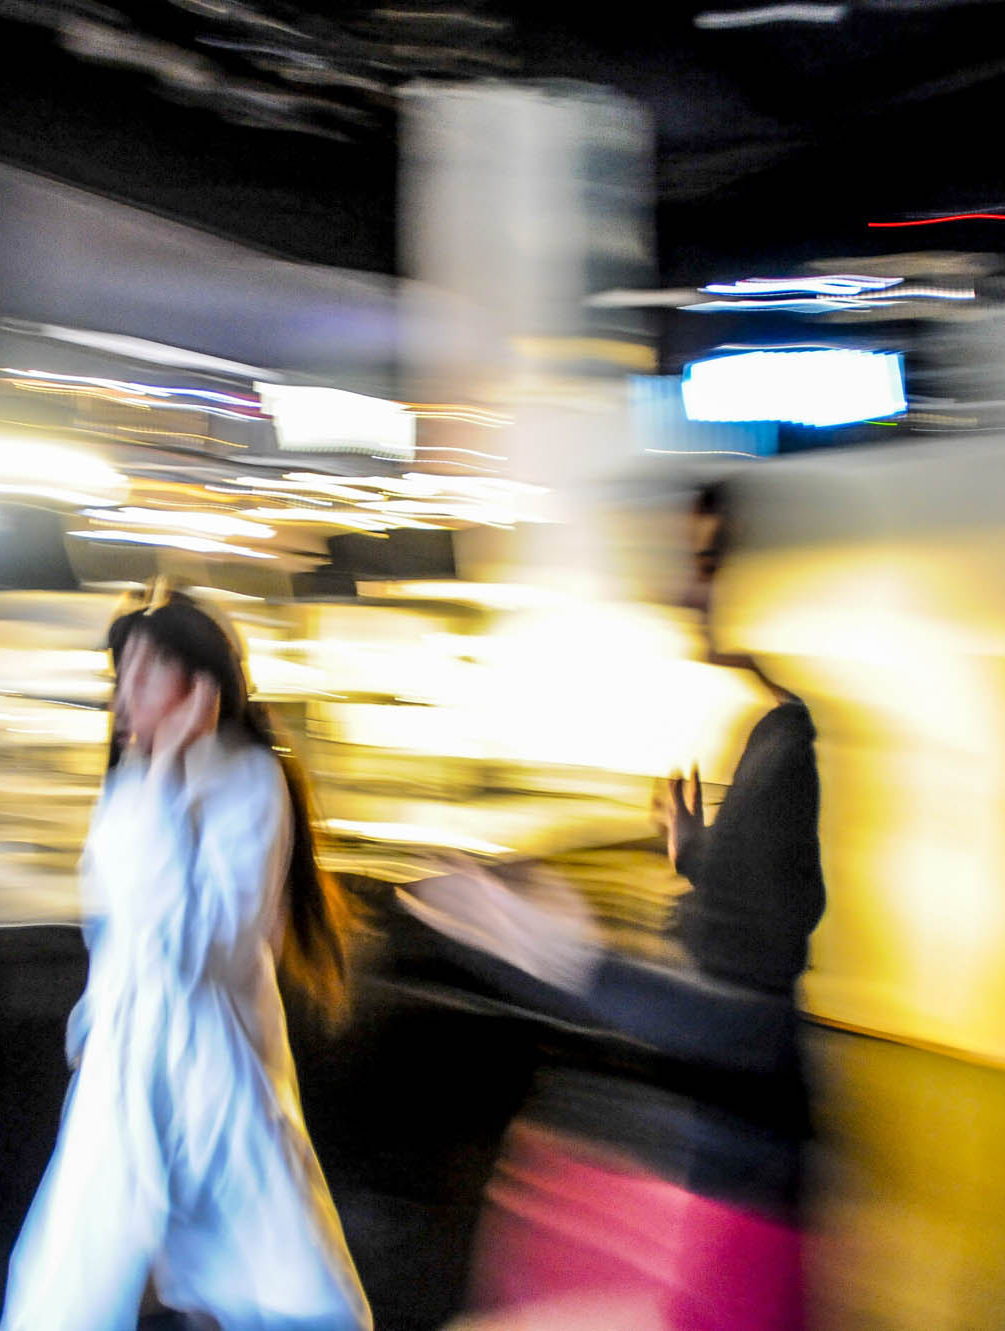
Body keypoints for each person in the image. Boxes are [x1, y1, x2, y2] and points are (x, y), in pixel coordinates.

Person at [402, 479, 824, 1331]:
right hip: (730, 1151)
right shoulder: (773, 735)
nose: (690, 590)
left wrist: (564, 956)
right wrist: (694, 855)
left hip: (747, 1169)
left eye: (709, 562)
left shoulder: (789, 751)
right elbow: (757, 932)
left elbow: (752, 1008)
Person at [0, 586, 372, 1331]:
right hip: (128, 1064)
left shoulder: (249, 780)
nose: (125, 696)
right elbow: (112, 931)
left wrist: (167, 774)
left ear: (200, 686)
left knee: (274, 1279)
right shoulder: (131, 780)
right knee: (75, 1279)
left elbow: (195, 947)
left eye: (145, 674)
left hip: (215, 1070)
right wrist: (92, 1026)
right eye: (121, 676)